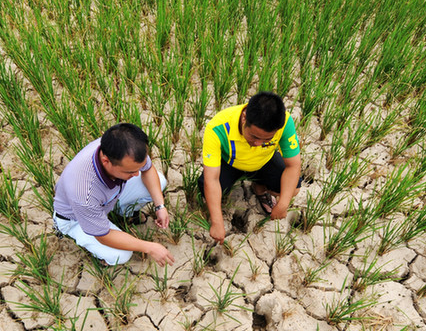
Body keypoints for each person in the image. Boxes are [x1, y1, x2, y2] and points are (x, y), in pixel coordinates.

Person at [53, 123, 175, 266]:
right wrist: (150, 247)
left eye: (138, 168)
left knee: (159, 182)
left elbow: (148, 170)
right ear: (106, 161)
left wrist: (160, 206)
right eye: (130, 172)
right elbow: (103, 236)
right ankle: (99, 254)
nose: (136, 174)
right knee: (121, 255)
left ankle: (121, 211)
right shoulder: (84, 193)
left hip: (107, 197)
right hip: (74, 219)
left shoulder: (127, 149)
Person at [200, 92, 302, 243]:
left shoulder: (285, 122)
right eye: (254, 136)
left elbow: (293, 166)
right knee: (205, 189)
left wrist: (283, 204)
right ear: (244, 118)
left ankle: (259, 186)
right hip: (230, 163)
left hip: (263, 161)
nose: (258, 143)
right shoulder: (218, 127)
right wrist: (217, 222)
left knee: (293, 189)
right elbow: (212, 178)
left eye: (267, 139)